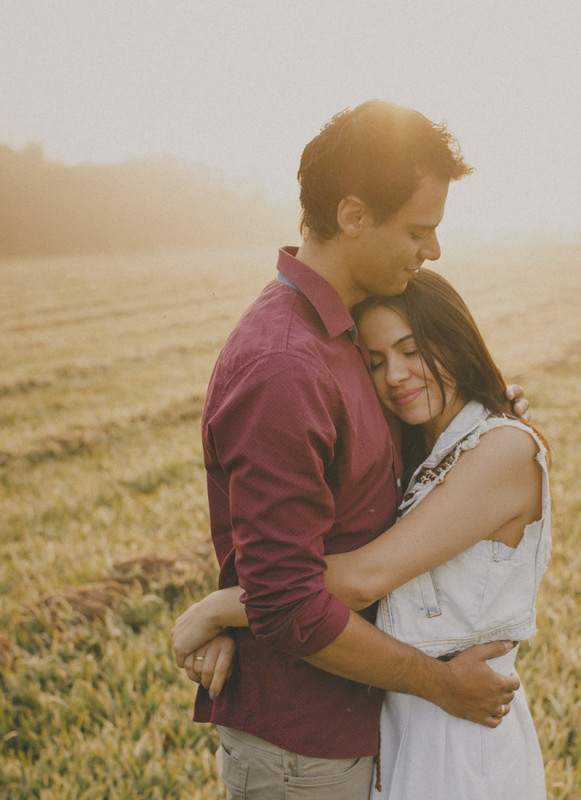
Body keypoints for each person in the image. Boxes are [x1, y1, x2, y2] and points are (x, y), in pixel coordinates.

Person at [180, 99, 525, 799]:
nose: (433, 250)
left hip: (378, 725)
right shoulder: (287, 365)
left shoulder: (351, 338)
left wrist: (490, 422)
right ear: (353, 215)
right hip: (303, 749)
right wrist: (442, 686)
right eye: (419, 230)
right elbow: (287, 602)